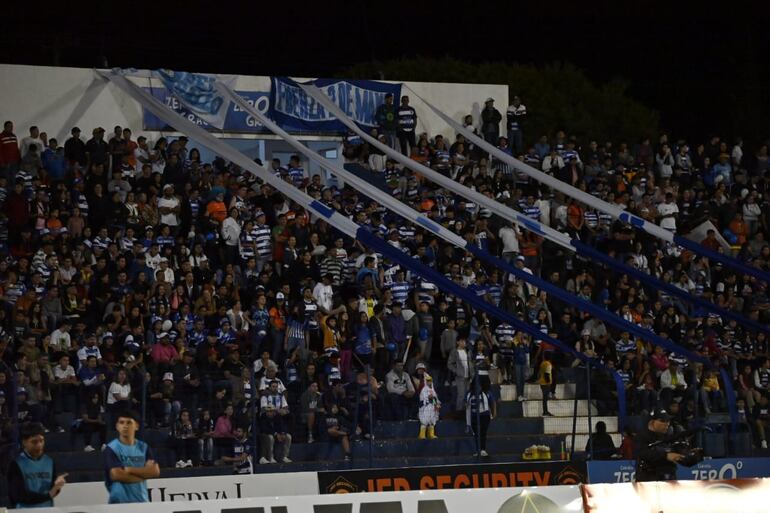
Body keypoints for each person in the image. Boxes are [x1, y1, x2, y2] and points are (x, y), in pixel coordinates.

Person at [103, 410, 160, 504]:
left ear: (136, 426)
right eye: (121, 422)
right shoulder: (111, 448)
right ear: (117, 426)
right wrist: (143, 475)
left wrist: (128, 469)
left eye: (129, 422)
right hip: (119, 503)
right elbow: (116, 475)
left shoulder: (144, 447)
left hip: (141, 501)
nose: (125, 426)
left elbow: (155, 471)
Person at [7, 422, 67, 508]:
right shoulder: (16, 464)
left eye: (41, 441)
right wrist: (48, 495)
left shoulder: (49, 461)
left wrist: (57, 486)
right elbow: (17, 496)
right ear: (24, 442)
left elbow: (53, 491)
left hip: (47, 509)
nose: (39, 445)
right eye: (34, 442)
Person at [634, 409, 685, 482]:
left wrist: (687, 455)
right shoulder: (641, 436)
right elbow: (642, 453)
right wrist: (666, 456)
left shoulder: (671, 435)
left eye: (668, 421)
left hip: (669, 478)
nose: (667, 423)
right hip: (648, 478)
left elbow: (678, 453)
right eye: (663, 421)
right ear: (652, 422)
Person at [418, 374, 441, 439]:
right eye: (428, 381)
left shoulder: (433, 390)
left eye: (430, 380)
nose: (429, 382)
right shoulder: (424, 390)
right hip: (426, 407)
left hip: (432, 407)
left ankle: (431, 434)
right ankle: (422, 435)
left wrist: (436, 404)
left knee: (432, 420)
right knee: (425, 420)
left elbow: (434, 399)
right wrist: (429, 398)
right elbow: (423, 399)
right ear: (426, 381)